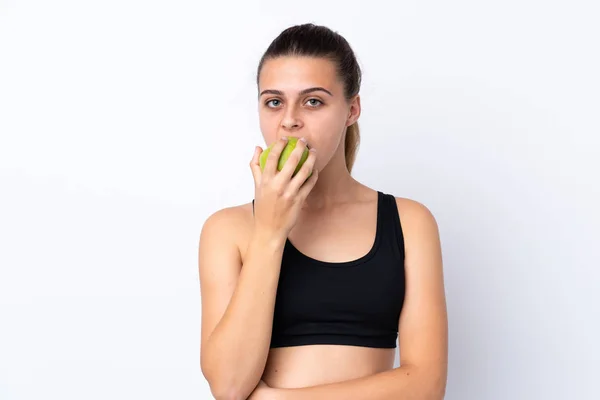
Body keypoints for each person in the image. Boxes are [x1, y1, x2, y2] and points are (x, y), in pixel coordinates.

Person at [198, 23, 448, 400]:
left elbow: (427, 385)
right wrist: (269, 231)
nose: (289, 120)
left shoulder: (408, 223)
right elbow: (229, 385)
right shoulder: (227, 230)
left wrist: (281, 399)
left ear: (352, 109)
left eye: (313, 101)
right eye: (274, 101)